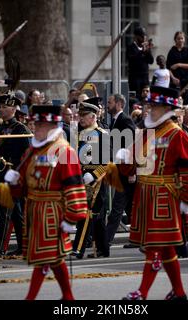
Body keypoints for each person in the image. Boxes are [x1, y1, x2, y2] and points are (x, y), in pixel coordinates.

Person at [121, 86, 188, 300]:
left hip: (166, 198)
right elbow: (130, 168)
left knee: (154, 247)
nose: (149, 110)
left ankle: (142, 292)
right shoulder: (146, 133)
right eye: (149, 106)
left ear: (166, 108)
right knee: (166, 250)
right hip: (145, 195)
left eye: (154, 106)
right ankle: (179, 291)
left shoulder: (178, 134)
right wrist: (124, 158)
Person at [4, 104, 88, 300]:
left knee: (44, 258)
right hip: (34, 209)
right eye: (36, 124)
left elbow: (74, 187)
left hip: (53, 211)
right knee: (54, 257)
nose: (35, 128)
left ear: (52, 126)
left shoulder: (65, 152)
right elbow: (22, 188)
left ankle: (31, 297)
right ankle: (68, 296)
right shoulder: (31, 151)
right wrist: (14, 181)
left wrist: (72, 216)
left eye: (40, 124)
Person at [0, 93, 31, 257]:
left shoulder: (21, 129)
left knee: (6, 211)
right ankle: (24, 245)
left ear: (14, 108)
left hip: (14, 176)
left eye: (5, 106)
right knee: (15, 214)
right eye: (0, 106)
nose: (1, 109)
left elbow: (27, 156)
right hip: (0, 174)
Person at [72, 101, 110, 259]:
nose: (81, 118)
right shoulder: (79, 133)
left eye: (84, 115)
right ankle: (103, 249)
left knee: (86, 214)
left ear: (93, 116)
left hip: (96, 180)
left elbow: (107, 162)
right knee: (97, 217)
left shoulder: (102, 134)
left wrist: (93, 175)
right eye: (80, 115)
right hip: (81, 178)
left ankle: (78, 249)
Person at [105, 94, 137, 248]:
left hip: (127, 172)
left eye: (110, 102)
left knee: (119, 208)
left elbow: (132, 146)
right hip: (121, 171)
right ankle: (139, 238)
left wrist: (132, 172)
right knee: (130, 209)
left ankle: (105, 240)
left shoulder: (125, 120)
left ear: (118, 104)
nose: (107, 104)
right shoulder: (116, 121)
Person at [126, 26, 154, 96]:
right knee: (136, 96)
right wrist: (142, 52)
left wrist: (148, 51)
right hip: (135, 78)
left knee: (146, 97)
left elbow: (151, 61)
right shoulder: (131, 47)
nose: (144, 37)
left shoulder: (146, 47)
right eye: (142, 35)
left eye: (145, 35)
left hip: (145, 77)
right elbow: (132, 60)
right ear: (136, 37)